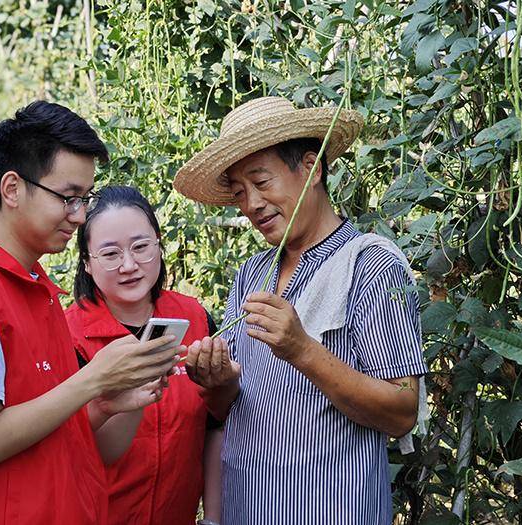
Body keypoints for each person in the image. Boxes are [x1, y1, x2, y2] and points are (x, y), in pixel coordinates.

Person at [0, 101, 182, 524]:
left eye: (85, 198)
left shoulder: (35, 290)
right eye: (68, 197)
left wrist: (119, 401)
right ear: (12, 189)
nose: (79, 216)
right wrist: (93, 379)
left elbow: (66, 435)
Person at [174, 96, 428, 524]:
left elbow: (402, 411)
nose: (252, 204)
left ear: (310, 168)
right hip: (245, 507)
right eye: (239, 193)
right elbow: (229, 407)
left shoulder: (370, 265)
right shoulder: (252, 274)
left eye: (261, 182)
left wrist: (302, 349)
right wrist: (215, 382)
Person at [64, 185, 224, 525]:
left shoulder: (193, 318)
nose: (129, 265)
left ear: (159, 246)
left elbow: (215, 424)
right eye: (110, 254)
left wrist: (212, 517)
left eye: (141, 247)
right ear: (87, 264)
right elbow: (68, 445)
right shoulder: (69, 335)